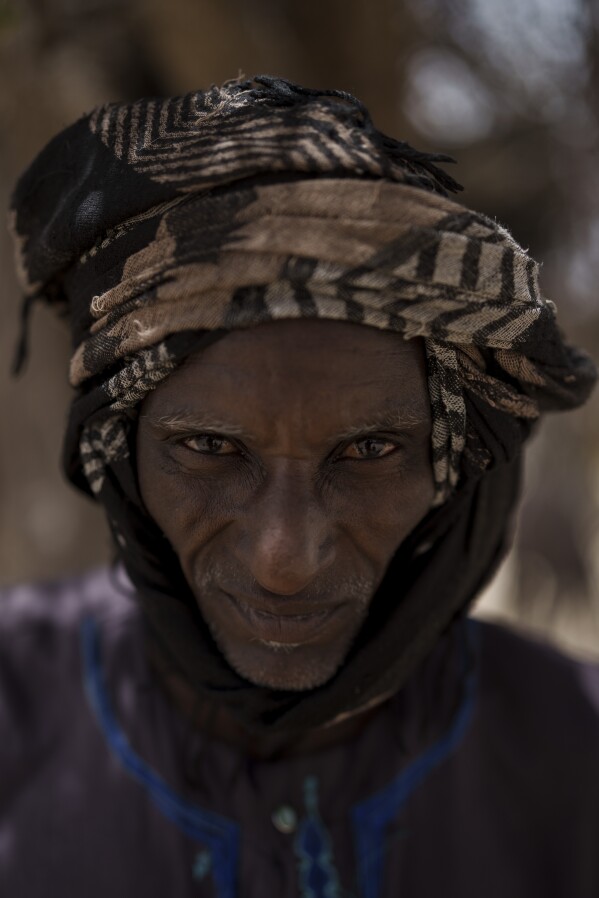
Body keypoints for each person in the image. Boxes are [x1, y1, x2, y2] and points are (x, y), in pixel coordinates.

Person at [2, 75, 598, 898]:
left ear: (457, 462)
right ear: (121, 448)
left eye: (370, 450)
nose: (286, 559)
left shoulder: (574, 746)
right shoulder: (14, 702)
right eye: (208, 447)